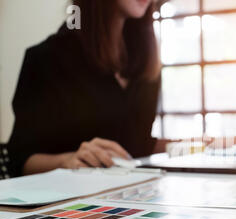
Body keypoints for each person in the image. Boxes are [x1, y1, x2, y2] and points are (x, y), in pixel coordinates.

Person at [7, 0, 160, 177]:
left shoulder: (145, 63)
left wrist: (189, 145)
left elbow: (139, 145)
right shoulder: (47, 59)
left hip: (136, 193)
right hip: (69, 198)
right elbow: (19, 161)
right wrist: (67, 161)